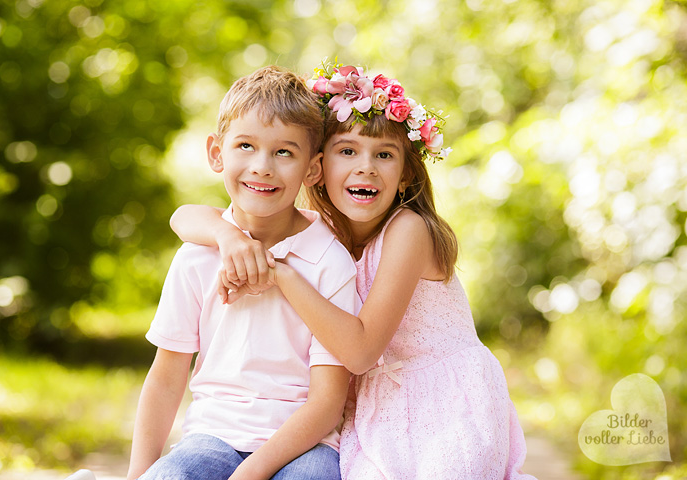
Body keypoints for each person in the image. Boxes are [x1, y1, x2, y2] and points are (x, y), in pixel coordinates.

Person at [171, 63, 536, 479]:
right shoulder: (326, 233)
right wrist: (227, 236)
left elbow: (361, 352)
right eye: (348, 151)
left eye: (384, 155)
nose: (366, 167)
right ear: (318, 168)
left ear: (405, 176)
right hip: (378, 407)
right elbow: (184, 218)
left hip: (444, 402)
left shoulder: (408, 230)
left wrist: (283, 274)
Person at [125, 65, 361, 480]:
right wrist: (140, 474)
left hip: (306, 445)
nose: (263, 166)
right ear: (217, 153)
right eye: (246, 146)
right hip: (212, 436)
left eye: (284, 152)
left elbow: (327, 403)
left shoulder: (329, 259)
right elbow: (166, 379)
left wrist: (249, 474)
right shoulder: (197, 256)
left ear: (313, 169)